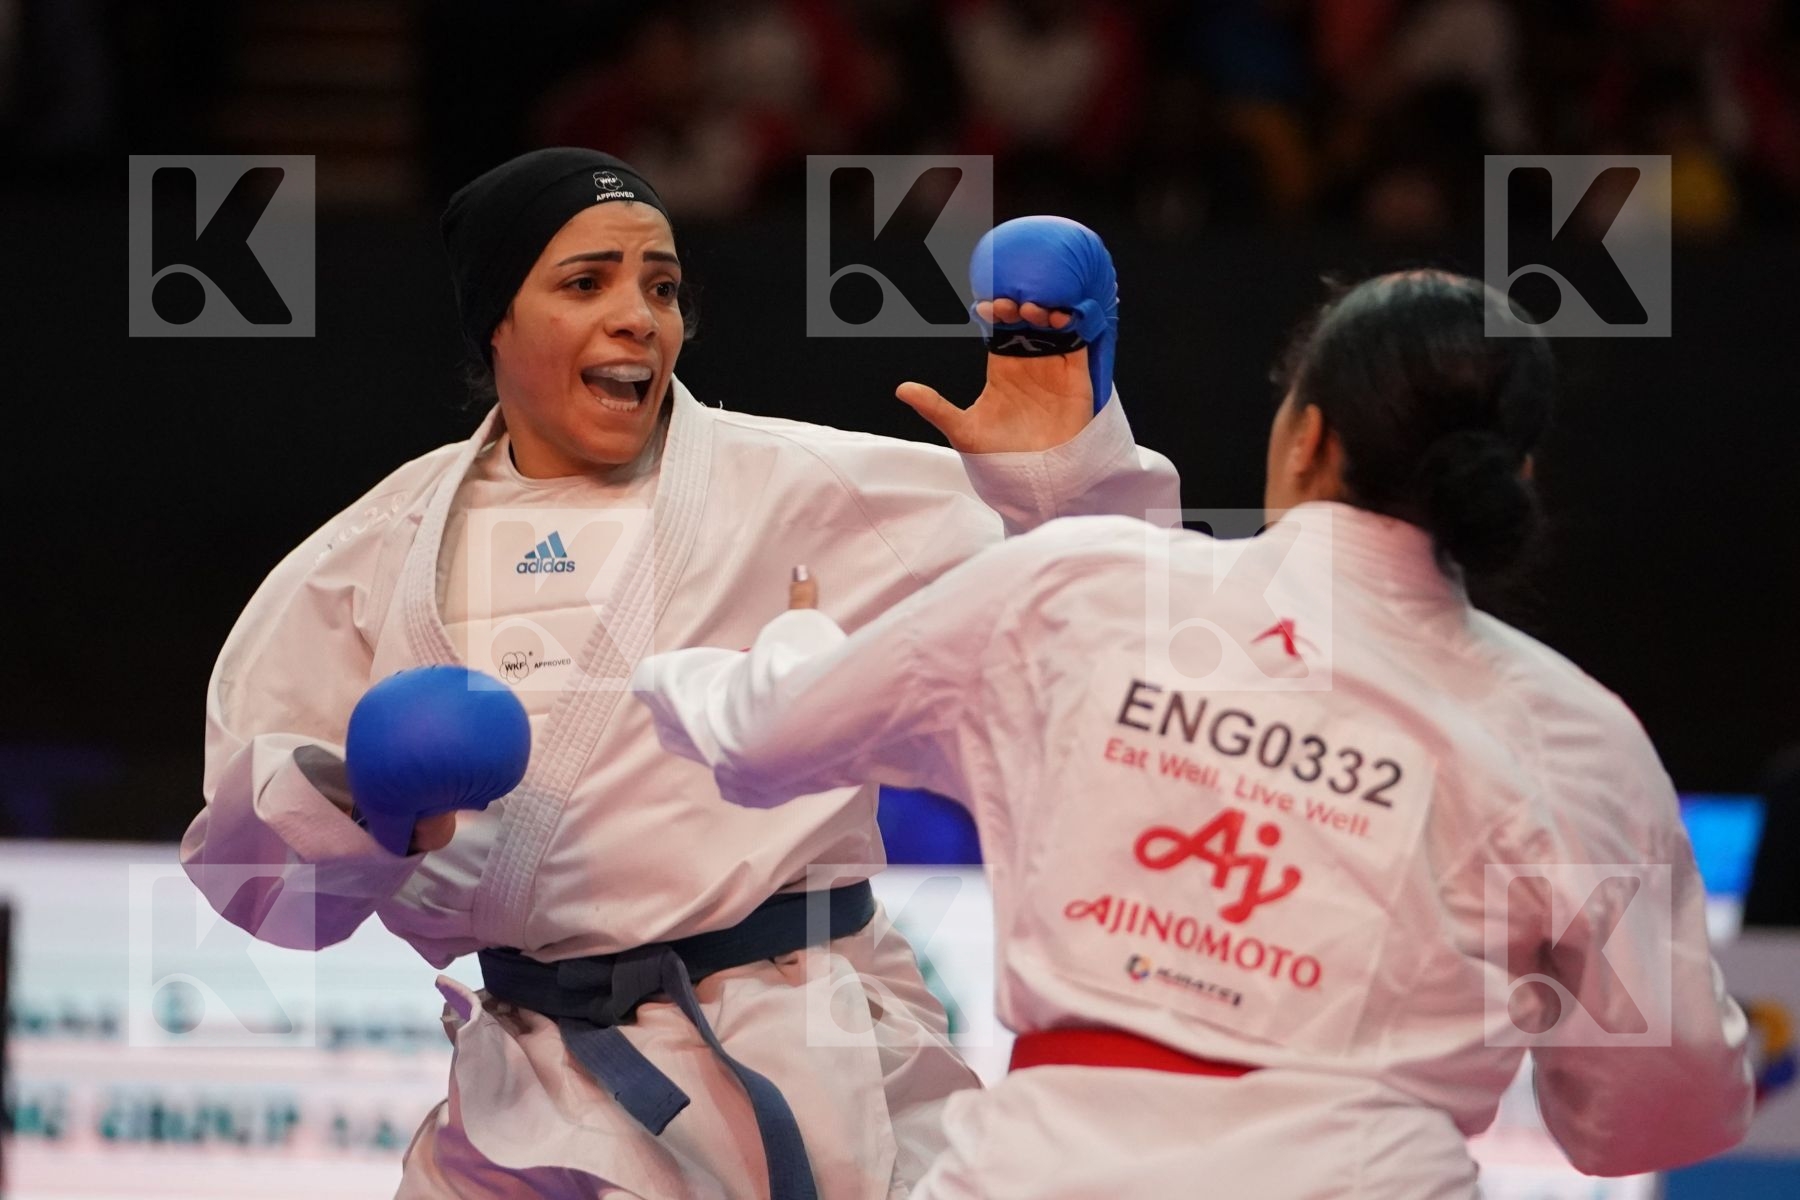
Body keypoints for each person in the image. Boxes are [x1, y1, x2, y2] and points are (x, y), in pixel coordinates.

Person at [182, 146, 1180, 1200]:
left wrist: (1056, 478)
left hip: (801, 1050)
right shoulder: (368, 561)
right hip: (532, 1085)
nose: (639, 317)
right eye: (586, 282)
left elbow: (1115, 612)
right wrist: (372, 812)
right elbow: (255, 887)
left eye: (660, 285)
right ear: (496, 323)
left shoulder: (801, 488)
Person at [632, 270, 1756, 1198]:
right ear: (1512, 480)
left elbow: (761, 737)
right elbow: (1653, 1117)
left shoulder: (1083, 585)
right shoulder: (1579, 736)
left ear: (1306, 438)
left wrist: (780, 642)